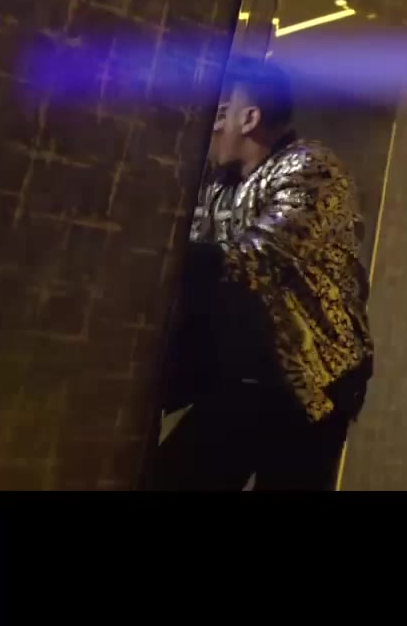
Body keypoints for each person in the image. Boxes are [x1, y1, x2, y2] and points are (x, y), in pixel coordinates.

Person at [147, 57, 373, 491]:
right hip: (240, 376)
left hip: (311, 383)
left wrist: (164, 255)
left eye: (218, 115)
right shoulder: (218, 186)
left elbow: (261, 255)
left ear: (248, 118)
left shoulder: (311, 168)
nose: (209, 129)